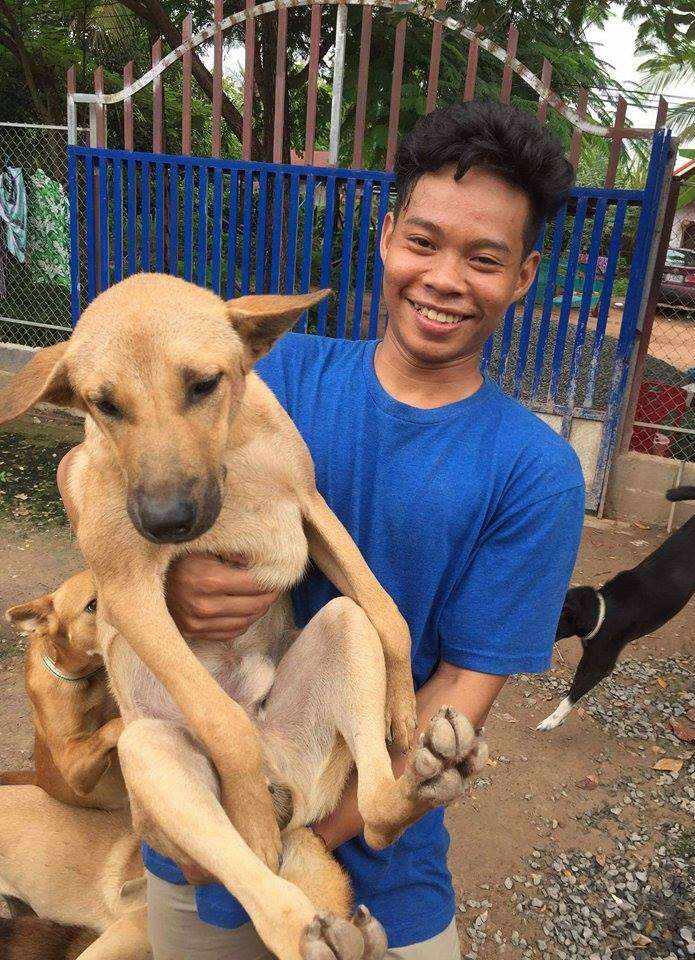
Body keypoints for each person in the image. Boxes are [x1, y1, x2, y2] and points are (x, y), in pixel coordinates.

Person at [60, 99, 585, 959]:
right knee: (152, 744)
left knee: (351, 625)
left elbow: (464, 684)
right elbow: (90, 461)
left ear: (523, 276)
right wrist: (161, 570)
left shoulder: (536, 471)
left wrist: (309, 828)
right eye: (423, 242)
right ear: (387, 238)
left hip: (364, 846)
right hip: (198, 841)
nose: (445, 278)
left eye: (483, 259)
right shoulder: (260, 369)